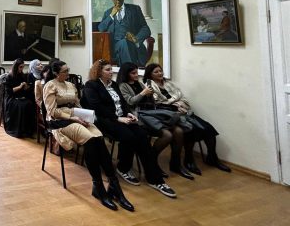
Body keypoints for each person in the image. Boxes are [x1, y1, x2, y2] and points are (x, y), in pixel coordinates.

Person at [44, 60, 134, 211]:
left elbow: (78, 104)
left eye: (68, 70)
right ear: (55, 73)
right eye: (65, 71)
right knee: (91, 140)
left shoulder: (70, 85)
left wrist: (85, 116)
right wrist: (73, 117)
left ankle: (113, 185)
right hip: (60, 121)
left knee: (98, 137)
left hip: (77, 117)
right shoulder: (50, 85)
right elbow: (52, 112)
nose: (68, 73)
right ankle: (98, 186)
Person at [81, 59, 177, 198]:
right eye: (107, 70)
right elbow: (97, 107)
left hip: (122, 118)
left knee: (142, 136)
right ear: (99, 72)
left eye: (111, 69)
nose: (111, 72)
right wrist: (117, 118)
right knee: (129, 137)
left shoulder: (114, 84)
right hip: (105, 120)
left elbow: (123, 103)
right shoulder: (91, 85)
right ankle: (123, 168)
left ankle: (155, 180)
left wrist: (128, 113)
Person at [143, 63, 231, 173]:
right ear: (150, 74)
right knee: (190, 131)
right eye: (156, 72)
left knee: (209, 129)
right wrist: (175, 105)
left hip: (185, 112)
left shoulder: (168, 84)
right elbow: (157, 105)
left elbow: (182, 97)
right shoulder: (149, 87)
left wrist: (181, 104)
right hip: (170, 116)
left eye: (160, 71)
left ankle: (212, 158)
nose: (160, 73)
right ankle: (188, 160)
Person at [117, 62, 194, 180]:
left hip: (152, 113)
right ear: (126, 74)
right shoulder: (123, 86)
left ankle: (176, 163)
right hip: (140, 116)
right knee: (167, 135)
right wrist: (143, 93)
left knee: (179, 131)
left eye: (137, 72)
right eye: (133, 73)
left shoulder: (139, 83)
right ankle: (151, 161)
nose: (137, 75)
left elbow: (153, 101)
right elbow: (130, 102)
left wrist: (152, 96)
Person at [97, 0, 151, 66]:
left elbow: (146, 28)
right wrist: (111, 15)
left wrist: (135, 39)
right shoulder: (108, 13)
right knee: (124, 43)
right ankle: (131, 70)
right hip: (115, 48)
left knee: (125, 43)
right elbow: (101, 29)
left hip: (134, 45)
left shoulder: (135, 9)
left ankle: (129, 70)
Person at [3, 58, 36, 138]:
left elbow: (25, 90)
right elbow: (9, 91)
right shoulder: (9, 76)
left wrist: (26, 86)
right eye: (20, 67)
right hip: (12, 97)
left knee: (30, 104)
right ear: (16, 67)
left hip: (20, 96)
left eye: (23, 67)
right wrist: (20, 87)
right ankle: (18, 130)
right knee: (21, 106)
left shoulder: (22, 75)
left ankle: (27, 130)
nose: (22, 69)